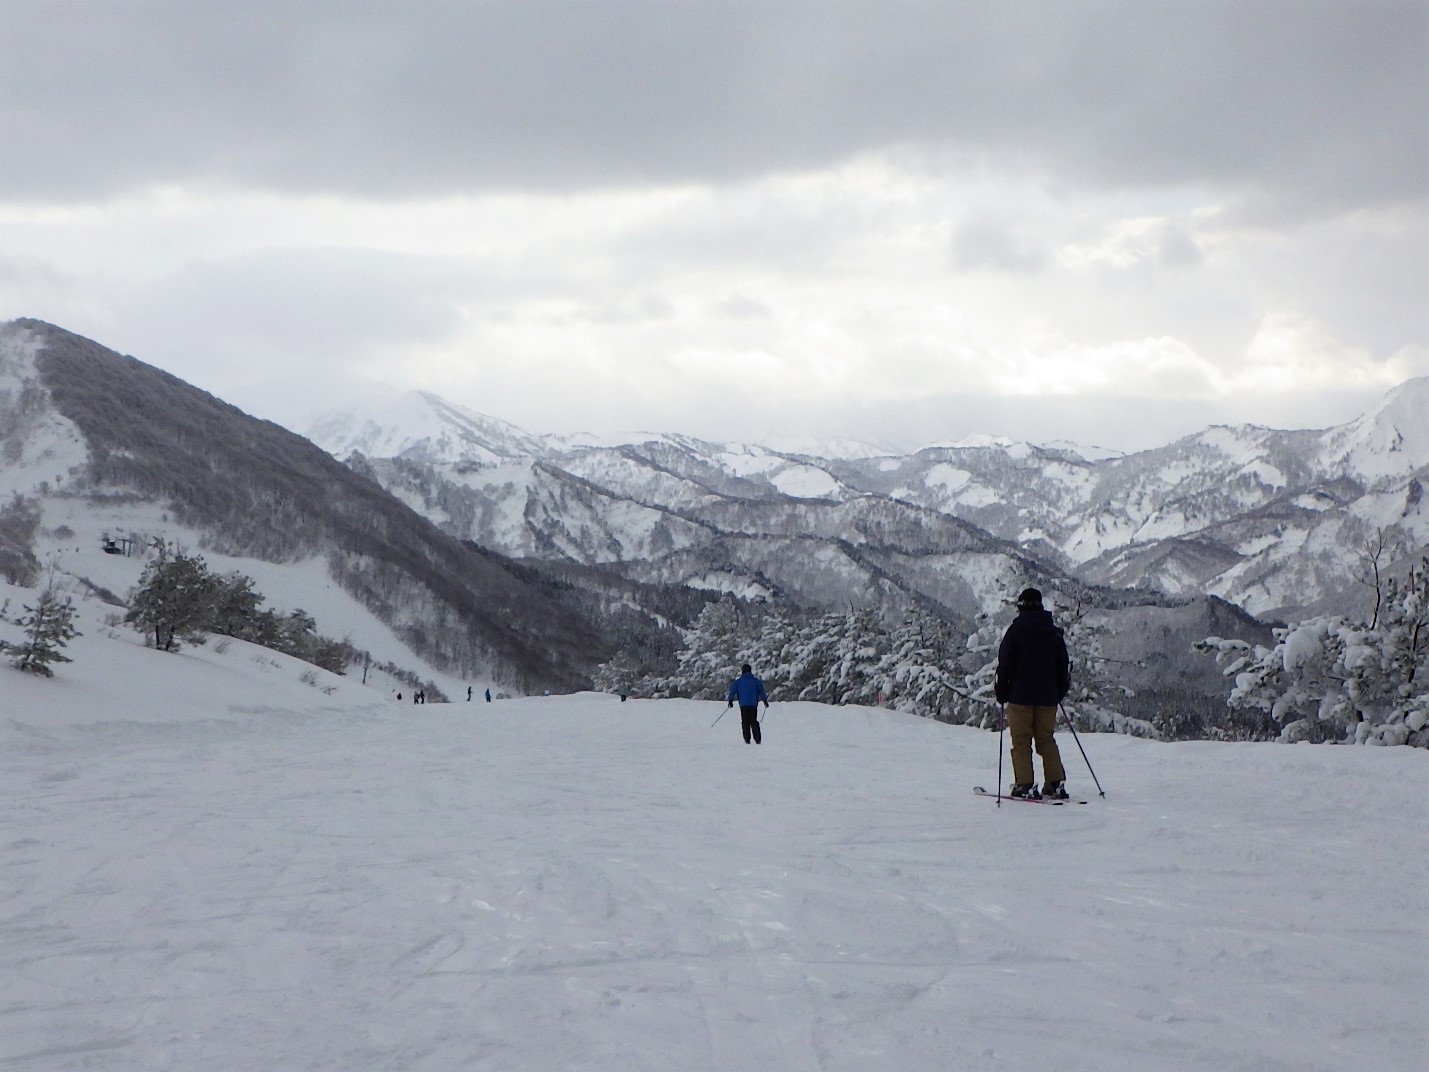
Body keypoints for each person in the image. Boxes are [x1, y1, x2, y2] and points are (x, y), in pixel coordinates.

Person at [994, 587, 1071, 799]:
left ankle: (1025, 784)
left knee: (1021, 740)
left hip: (1020, 697)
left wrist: (1002, 691)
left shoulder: (1015, 631)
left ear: (1020, 606)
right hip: (1048, 697)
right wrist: (1058, 691)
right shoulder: (1053, 633)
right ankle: (1055, 783)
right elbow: (1062, 665)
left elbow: (1005, 664)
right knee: (1046, 739)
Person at [725, 663, 770, 744]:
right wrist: (765, 701)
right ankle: (757, 739)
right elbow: (761, 692)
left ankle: (747, 739)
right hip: (753, 704)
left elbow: (732, 691)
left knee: (745, 722)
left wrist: (730, 701)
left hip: (743, 704)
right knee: (753, 721)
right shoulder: (756, 681)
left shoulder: (738, 682)